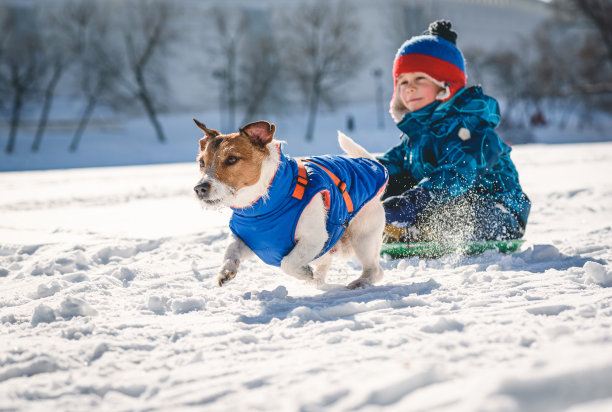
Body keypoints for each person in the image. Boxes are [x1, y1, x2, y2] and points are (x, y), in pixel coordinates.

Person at [377, 20, 530, 243]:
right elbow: (392, 164)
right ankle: (393, 228)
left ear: (446, 84)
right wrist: (358, 177)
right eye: (403, 81)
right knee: (384, 184)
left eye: (420, 79)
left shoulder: (473, 129)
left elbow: (459, 171)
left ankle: (418, 230)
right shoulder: (416, 135)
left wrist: (418, 199)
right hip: (436, 204)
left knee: (454, 215)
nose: (409, 88)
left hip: (498, 211)